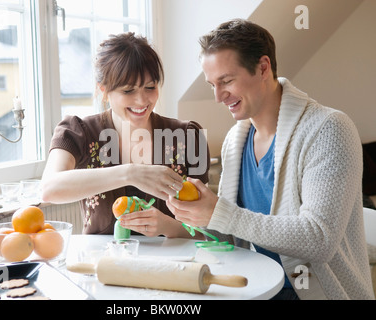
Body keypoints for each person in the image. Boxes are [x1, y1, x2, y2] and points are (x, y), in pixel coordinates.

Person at [166, 19, 374, 300]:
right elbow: (230, 236)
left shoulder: (328, 129)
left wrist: (220, 213)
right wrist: (195, 214)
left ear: (263, 68)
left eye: (226, 81)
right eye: (212, 84)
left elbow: (319, 238)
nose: (218, 96)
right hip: (260, 287)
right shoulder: (235, 142)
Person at [41, 32, 209, 239]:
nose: (142, 100)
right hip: (101, 265)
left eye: (150, 87)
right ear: (103, 90)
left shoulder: (188, 136)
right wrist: (131, 173)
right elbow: (49, 188)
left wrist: (168, 226)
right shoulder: (79, 132)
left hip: (174, 266)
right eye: (128, 91)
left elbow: (206, 231)